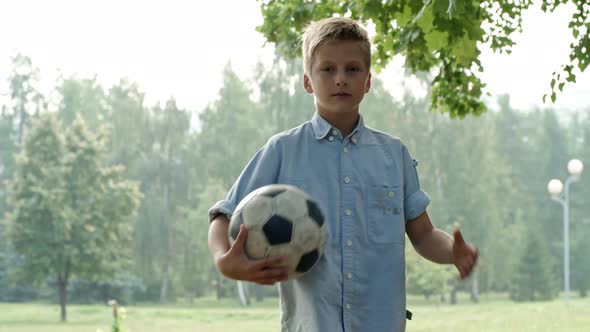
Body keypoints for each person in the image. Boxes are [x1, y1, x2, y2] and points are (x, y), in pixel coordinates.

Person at [208, 16, 479, 332]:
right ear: (308, 81)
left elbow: (423, 235)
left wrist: (452, 253)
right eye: (328, 69)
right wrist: (223, 260)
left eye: (352, 69)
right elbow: (222, 216)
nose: (341, 79)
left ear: (368, 81)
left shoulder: (394, 154)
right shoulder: (282, 150)